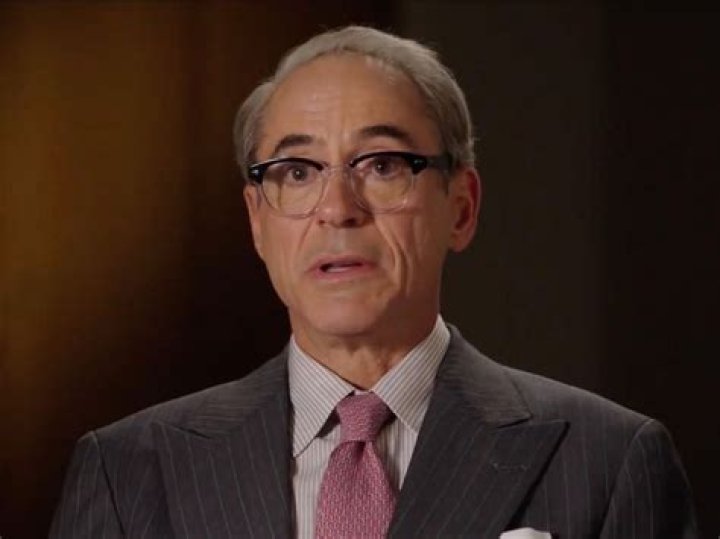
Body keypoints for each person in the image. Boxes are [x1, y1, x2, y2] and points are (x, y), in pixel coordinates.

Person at [50, 26, 698, 538]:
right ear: (257, 221)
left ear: (461, 208)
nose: (338, 208)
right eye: (297, 171)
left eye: (382, 165)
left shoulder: (610, 461)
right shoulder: (127, 471)